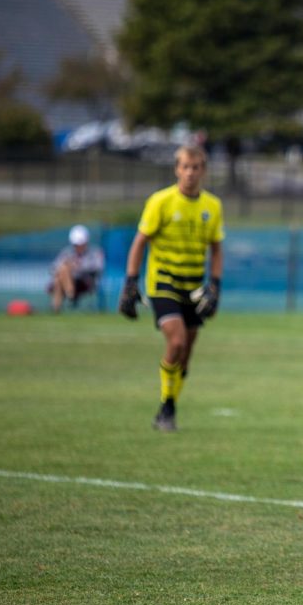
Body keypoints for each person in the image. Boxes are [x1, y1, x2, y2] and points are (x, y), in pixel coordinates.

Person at [118, 145, 225, 432]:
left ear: (203, 171)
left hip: (194, 287)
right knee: (176, 342)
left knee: (186, 353)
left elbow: (216, 248)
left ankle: (169, 406)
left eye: (196, 168)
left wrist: (215, 285)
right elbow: (140, 242)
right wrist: (130, 281)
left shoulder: (212, 206)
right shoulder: (161, 202)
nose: (190, 173)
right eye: (185, 167)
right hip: (163, 282)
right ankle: (167, 407)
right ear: (177, 169)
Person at [47, 224, 104, 313]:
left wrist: (77, 267)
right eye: (76, 244)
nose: (78, 246)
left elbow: (98, 268)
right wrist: (68, 267)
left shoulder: (94, 253)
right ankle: (69, 294)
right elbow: (52, 268)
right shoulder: (67, 252)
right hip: (67, 279)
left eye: (81, 244)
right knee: (61, 273)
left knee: (62, 273)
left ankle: (57, 305)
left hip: (84, 281)